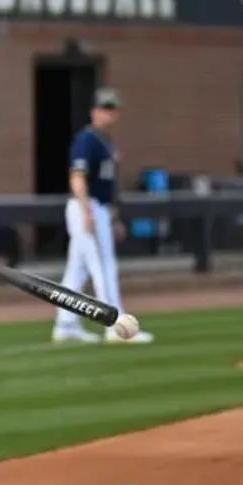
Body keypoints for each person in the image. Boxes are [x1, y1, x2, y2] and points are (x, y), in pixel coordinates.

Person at [52, 88, 153, 344]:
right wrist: (87, 211)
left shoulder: (106, 142)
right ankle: (115, 327)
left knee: (77, 271)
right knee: (103, 267)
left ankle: (65, 325)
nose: (109, 113)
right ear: (94, 111)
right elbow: (77, 177)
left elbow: (109, 185)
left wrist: (114, 218)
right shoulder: (86, 140)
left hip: (100, 209)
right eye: (105, 108)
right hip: (86, 207)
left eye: (112, 109)